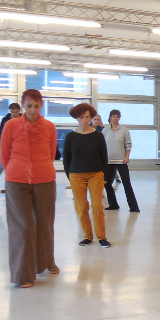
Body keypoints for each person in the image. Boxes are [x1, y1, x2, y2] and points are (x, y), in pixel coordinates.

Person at [0, 89, 59, 288]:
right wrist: (15, 171)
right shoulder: (11, 125)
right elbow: (4, 154)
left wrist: (40, 169)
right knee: (23, 227)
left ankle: (45, 262)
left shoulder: (50, 127)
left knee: (45, 224)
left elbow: (51, 153)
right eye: (29, 106)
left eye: (36, 106)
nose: (33, 110)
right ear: (23, 106)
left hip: (45, 180)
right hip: (17, 182)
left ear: (42, 105)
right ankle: (22, 275)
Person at [64, 103, 110, 248]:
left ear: (91, 117)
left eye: (87, 117)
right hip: (76, 175)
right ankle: (87, 236)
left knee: (97, 206)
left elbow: (104, 157)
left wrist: (102, 174)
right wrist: (70, 176)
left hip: (96, 174)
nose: (84, 120)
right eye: (81, 117)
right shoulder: (70, 136)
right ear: (76, 118)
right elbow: (66, 159)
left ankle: (101, 236)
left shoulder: (98, 136)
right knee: (82, 207)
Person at [102, 109, 140, 213]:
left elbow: (128, 144)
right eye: (114, 116)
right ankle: (113, 204)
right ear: (110, 117)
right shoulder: (105, 131)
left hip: (121, 160)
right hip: (109, 161)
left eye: (117, 117)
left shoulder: (124, 130)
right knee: (107, 183)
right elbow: (102, 146)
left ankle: (134, 207)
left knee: (126, 183)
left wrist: (127, 156)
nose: (115, 118)